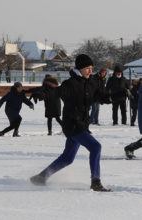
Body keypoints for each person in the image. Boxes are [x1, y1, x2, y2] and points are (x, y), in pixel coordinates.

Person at [30, 54, 111, 192]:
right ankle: (95, 181)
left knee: (67, 158)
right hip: (72, 124)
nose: (90, 71)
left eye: (91, 68)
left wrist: (118, 95)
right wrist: (42, 94)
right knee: (96, 147)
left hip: (82, 124)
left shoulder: (92, 83)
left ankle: (41, 177)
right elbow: (55, 92)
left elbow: (101, 97)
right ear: (80, 68)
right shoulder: (70, 84)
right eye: (87, 68)